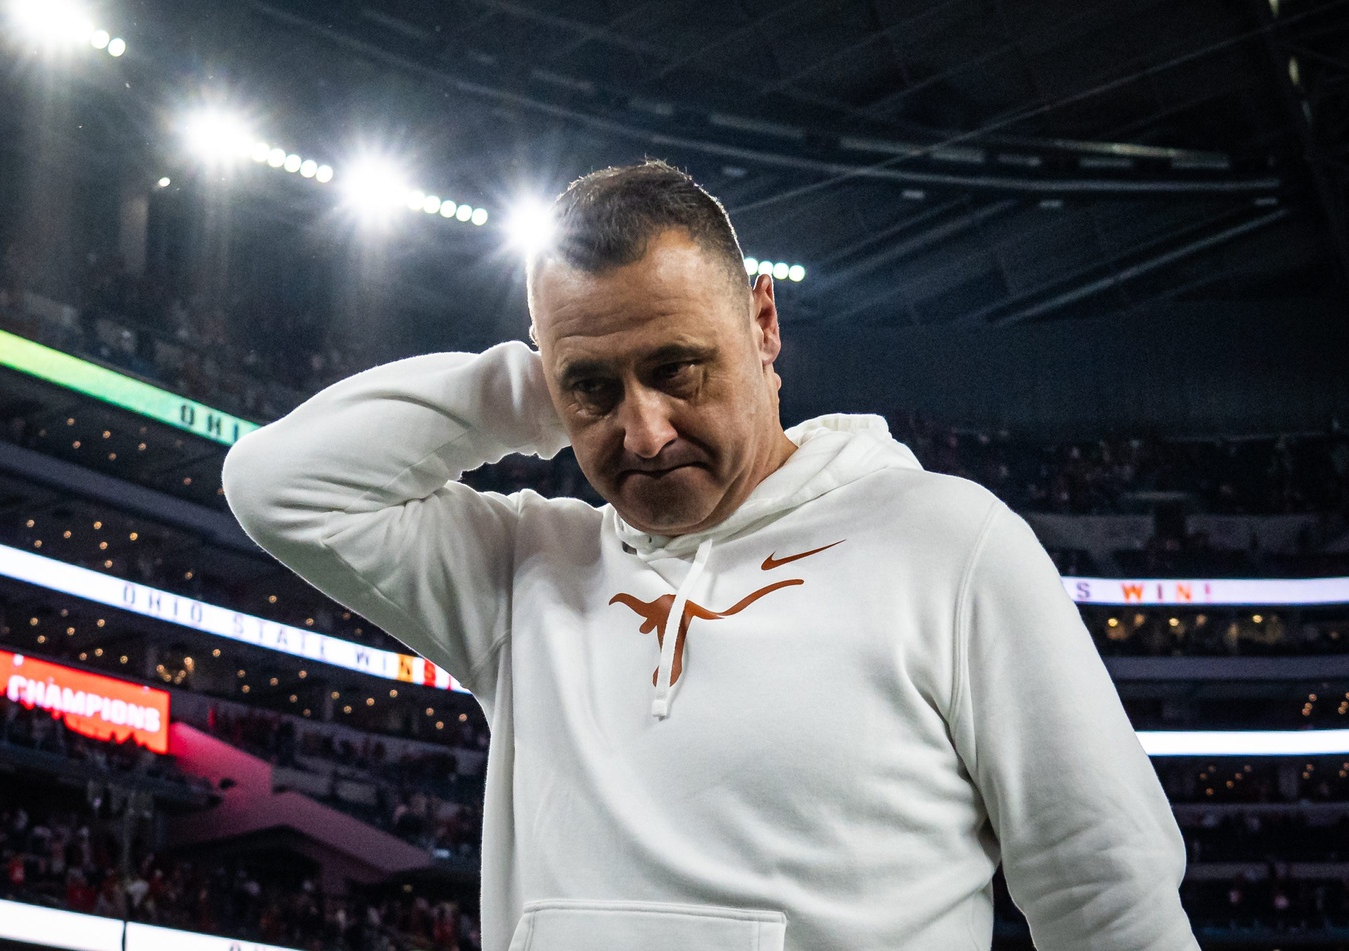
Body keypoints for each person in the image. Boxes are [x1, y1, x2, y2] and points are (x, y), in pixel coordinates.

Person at [223, 159, 1197, 951]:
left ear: (763, 325)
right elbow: (278, 484)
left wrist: (591, 363)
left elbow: (1112, 906)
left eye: (676, 368)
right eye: (594, 392)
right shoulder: (521, 573)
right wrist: (546, 378)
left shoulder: (951, 543)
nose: (643, 434)